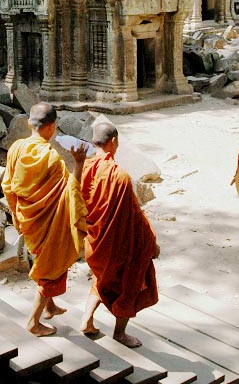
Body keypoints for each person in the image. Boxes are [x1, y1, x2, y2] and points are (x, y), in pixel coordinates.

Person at [1, 102, 88, 337]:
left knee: (42, 257)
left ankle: (50, 307)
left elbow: (7, 185)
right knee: (51, 265)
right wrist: (79, 163)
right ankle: (33, 322)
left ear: (30, 123)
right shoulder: (52, 159)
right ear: (52, 128)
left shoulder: (16, 148)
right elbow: (71, 192)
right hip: (49, 223)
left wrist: (18, 215)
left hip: (28, 218)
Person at [80, 122, 159, 348]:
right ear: (113, 142)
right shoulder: (119, 176)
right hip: (118, 245)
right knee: (128, 283)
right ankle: (120, 333)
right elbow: (133, 215)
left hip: (95, 242)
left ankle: (86, 319)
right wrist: (150, 240)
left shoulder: (83, 168)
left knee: (102, 278)